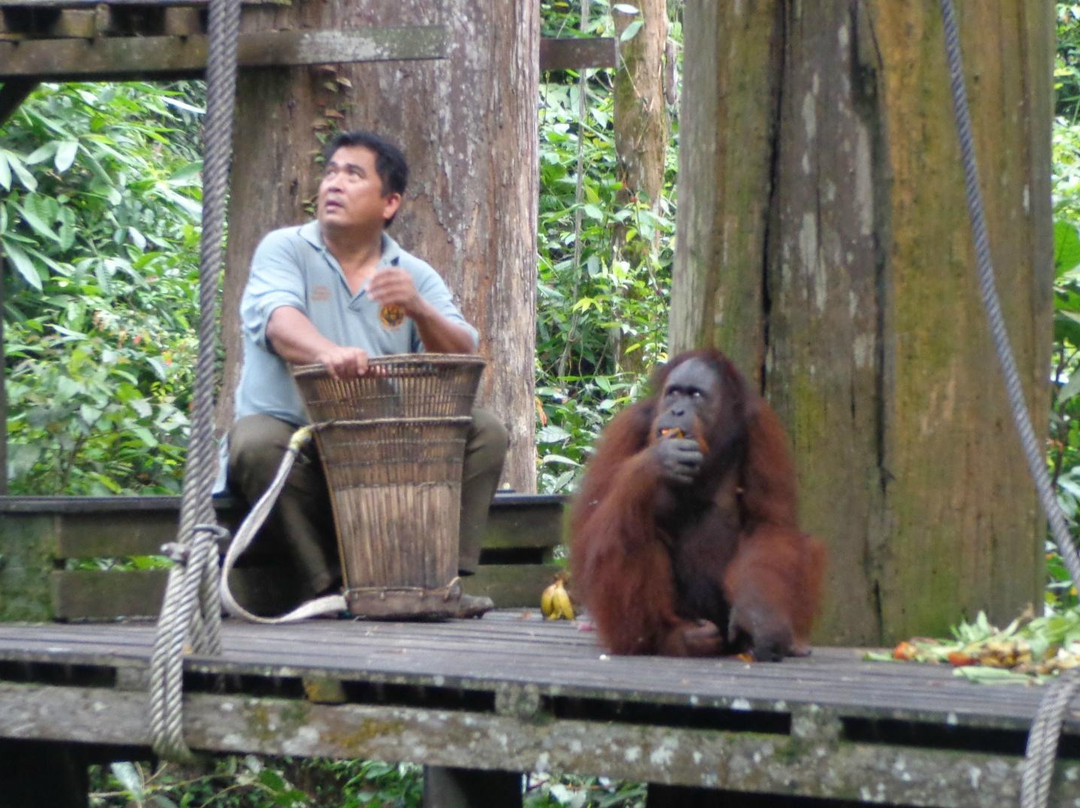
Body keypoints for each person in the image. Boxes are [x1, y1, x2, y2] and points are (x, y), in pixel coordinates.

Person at [223, 130, 508, 609]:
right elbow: (276, 319)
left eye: (353, 175)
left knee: (485, 430)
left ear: (389, 203)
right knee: (253, 443)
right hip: (300, 447)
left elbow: (464, 354)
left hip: (384, 451)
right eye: (330, 172)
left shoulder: (410, 273)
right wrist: (326, 352)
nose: (334, 183)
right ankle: (332, 588)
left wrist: (420, 309)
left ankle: (440, 584)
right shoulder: (286, 248)